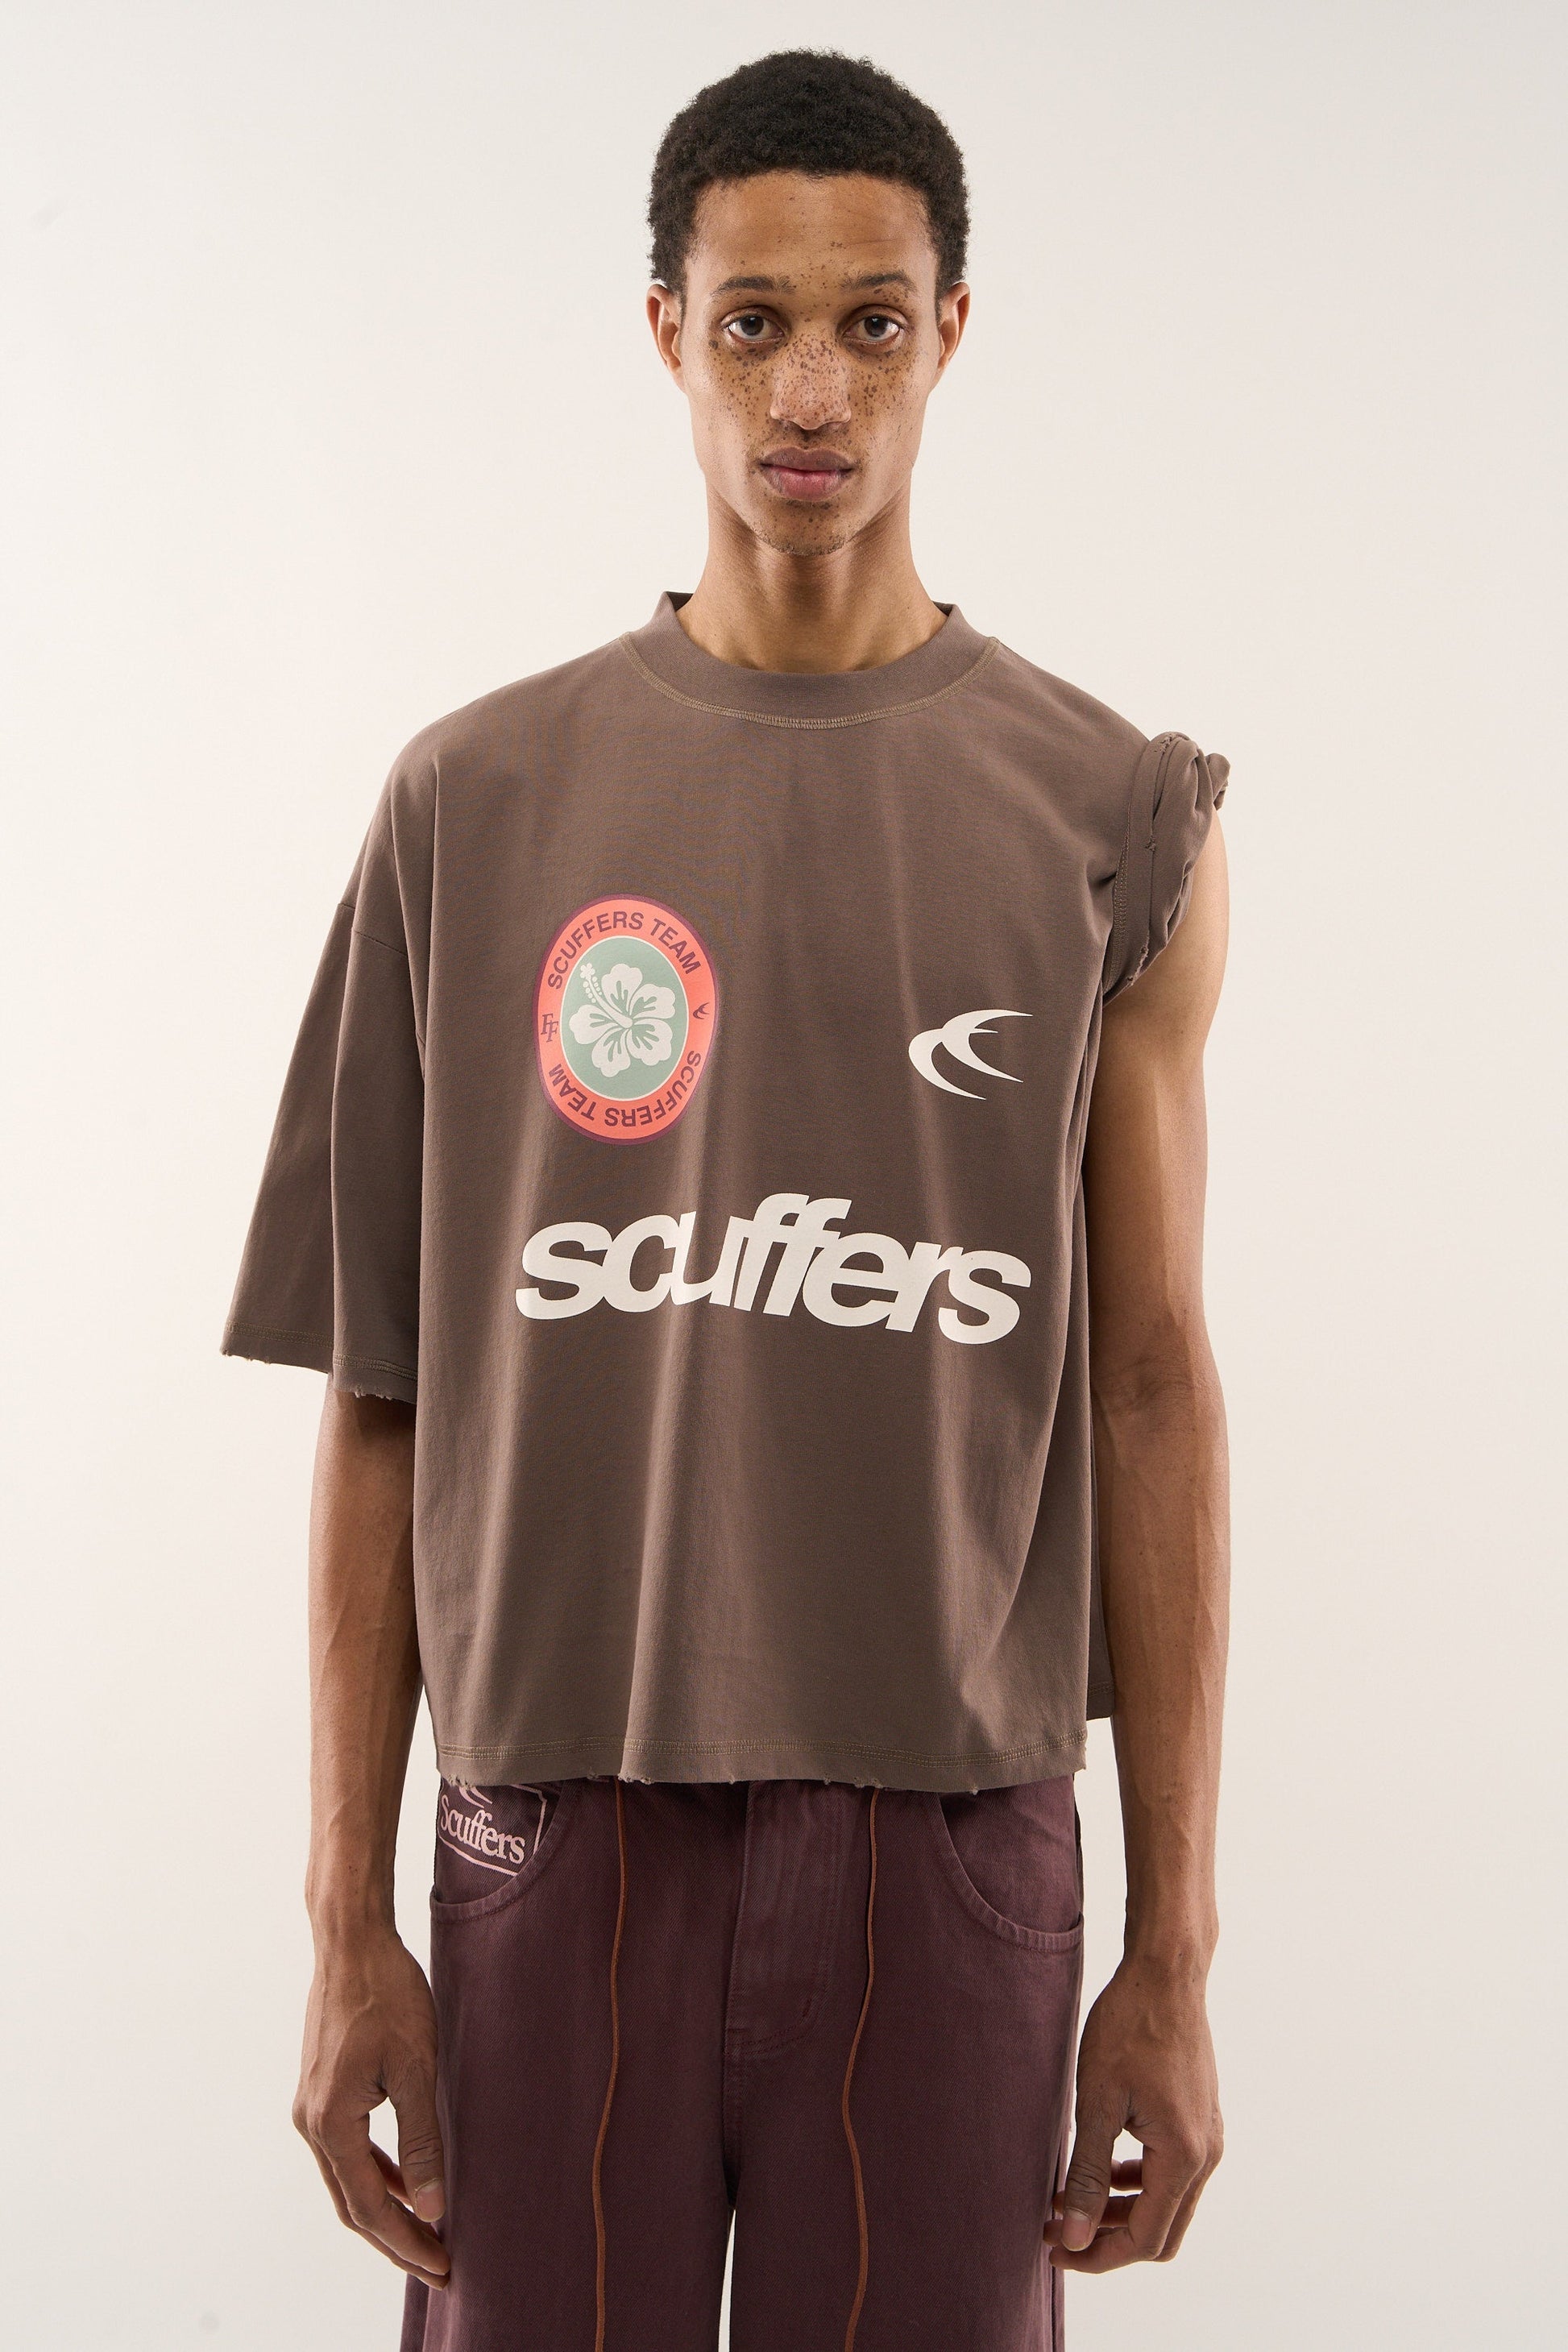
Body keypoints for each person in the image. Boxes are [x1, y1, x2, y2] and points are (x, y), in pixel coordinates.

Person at [222, 48, 1230, 2352]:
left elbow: (1156, 1386)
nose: (811, 389)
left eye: (870, 322)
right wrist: (344, 1920)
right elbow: (381, 1392)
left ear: (949, 332)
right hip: (556, 1812)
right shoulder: (472, 801)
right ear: (666, 328)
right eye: (754, 320)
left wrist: (1173, 1950)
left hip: (952, 1821)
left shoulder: (1109, 817)